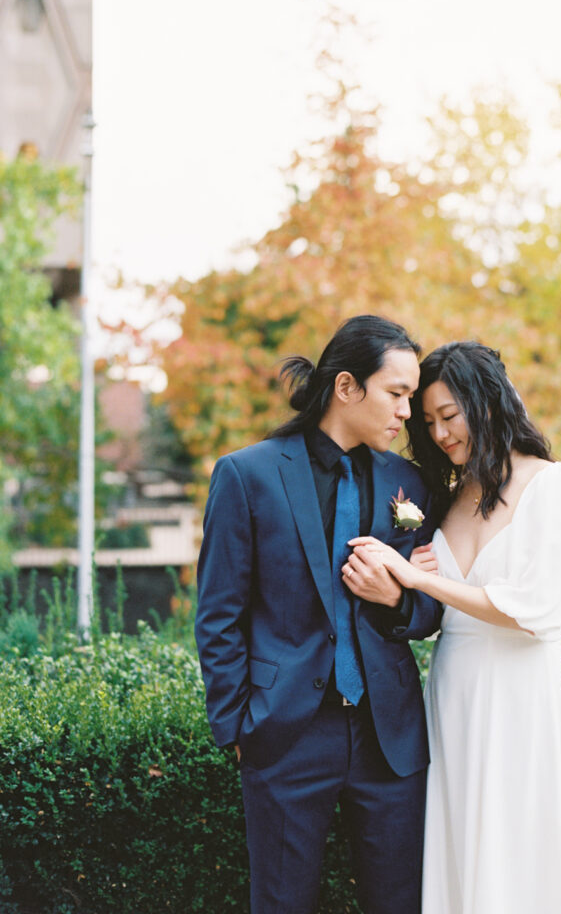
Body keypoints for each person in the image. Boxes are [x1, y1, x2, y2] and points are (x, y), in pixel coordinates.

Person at [194, 315, 442, 914]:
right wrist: (236, 728)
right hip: (285, 733)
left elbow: (433, 603)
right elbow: (218, 614)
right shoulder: (247, 475)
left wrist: (399, 599)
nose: (408, 412)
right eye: (397, 394)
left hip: (391, 738)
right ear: (347, 387)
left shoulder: (410, 483)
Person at [346, 341, 561, 914]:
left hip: (521, 701)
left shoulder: (556, 486)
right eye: (429, 421)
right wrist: (399, 590)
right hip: (452, 699)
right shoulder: (449, 501)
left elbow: (541, 611)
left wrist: (419, 579)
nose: (438, 433)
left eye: (449, 416)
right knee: (459, 855)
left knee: (520, 856)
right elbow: (430, 615)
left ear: (486, 404)